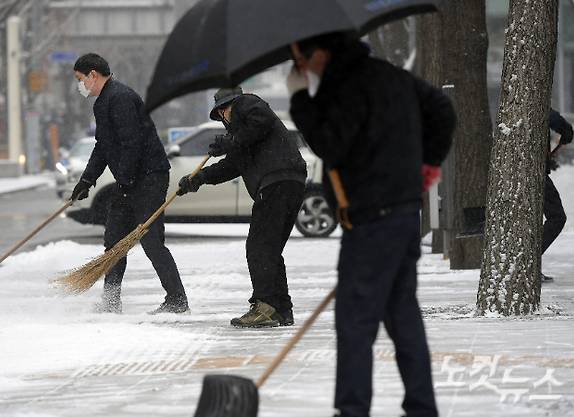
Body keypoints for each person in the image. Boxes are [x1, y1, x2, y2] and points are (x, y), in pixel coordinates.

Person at [286, 33, 456, 417]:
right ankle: (422, 407)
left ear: (323, 54)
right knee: (402, 316)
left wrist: (300, 100)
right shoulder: (391, 76)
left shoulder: (346, 87)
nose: (300, 68)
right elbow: (441, 109)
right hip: (401, 213)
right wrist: (428, 163)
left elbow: (331, 145)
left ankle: (352, 409)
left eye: (301, 60)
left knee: (354, 323)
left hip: (370, 220)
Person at [177, 87, 307, 328]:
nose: (225, 115)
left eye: (224, 109)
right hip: (288, 182)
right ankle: (281, 309)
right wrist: (198, 179)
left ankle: (265, 306)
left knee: (258, 247)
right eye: (221, 113)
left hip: (277, 181)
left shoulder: (247, 103)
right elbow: (230, 167)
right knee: (269, 249)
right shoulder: (245, 139)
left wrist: (230, 141)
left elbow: (262, 119)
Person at [71, 53, 188, 314]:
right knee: (114, 241)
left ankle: (177, 300)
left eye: (80, 79)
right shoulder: (103, 102)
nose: (79, 85)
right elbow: (103, 147)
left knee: (151, 240)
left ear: (93, 74)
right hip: (130, 180)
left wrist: (126, 178)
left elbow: (131, 143)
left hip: (149, 177)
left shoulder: (121, 98)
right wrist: (86, 180)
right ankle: (111, 302)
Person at [541, 109, 574, 282]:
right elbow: (555, 120)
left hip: (515, 174)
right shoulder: (537, 103)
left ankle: (526, 262)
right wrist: (567, 131)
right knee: (557, 217)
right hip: (535, 175)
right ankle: (529, 261)